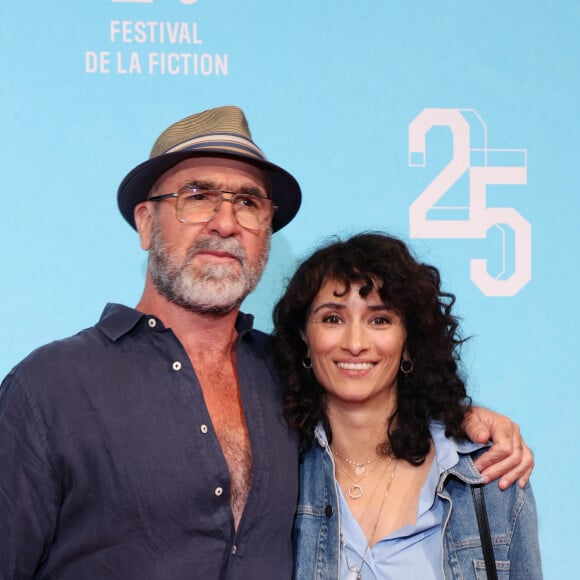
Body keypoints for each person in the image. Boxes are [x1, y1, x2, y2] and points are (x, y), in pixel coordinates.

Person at [0, 107, 533, 580]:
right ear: (146, 222)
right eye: (198, 196)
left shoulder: (286, 372)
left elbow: (378, 398)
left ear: (267, 230)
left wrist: (472, 420)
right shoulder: (52, 386)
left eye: (249, 202)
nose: (226, 221)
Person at [272, 232, 542, 579]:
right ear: (304, 339)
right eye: (333, 319)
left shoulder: (486, 475)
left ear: (410, 342)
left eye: (379, 319)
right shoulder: (275, 470)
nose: (355, 343)